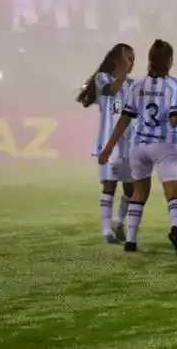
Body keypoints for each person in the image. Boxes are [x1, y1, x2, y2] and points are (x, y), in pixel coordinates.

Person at [97, 40, 177, 256]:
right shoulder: (174, 85)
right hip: (164, 144)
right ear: (169, 61)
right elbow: (176, 118)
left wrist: (109, 147)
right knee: (173, 194)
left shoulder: (137, 86)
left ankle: (131, 241)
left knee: (139, 191)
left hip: (138, 146)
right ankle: (175, 230)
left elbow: (125, 118)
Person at [78, 43, 136, 243]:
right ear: (116, 60)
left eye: (133, 59)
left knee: (131, 190)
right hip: (107, 144)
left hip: (129, 145)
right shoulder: (102, 79)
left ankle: (118, 222)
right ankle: (106, 231)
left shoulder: (132, 85)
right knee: (109, 186)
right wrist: (121, 74)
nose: (131, 62)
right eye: (128, 58)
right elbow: (111, 91)